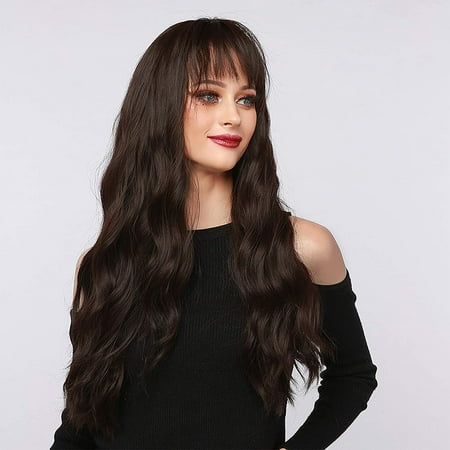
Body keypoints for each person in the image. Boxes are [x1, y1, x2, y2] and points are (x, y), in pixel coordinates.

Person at [50, 18, 377, 450]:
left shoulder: (301, 248)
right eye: (208, 95)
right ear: (161, 105)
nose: (233, 117)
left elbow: (353, 376)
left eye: (246, 99)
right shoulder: (102, 265)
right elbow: (81, 422)